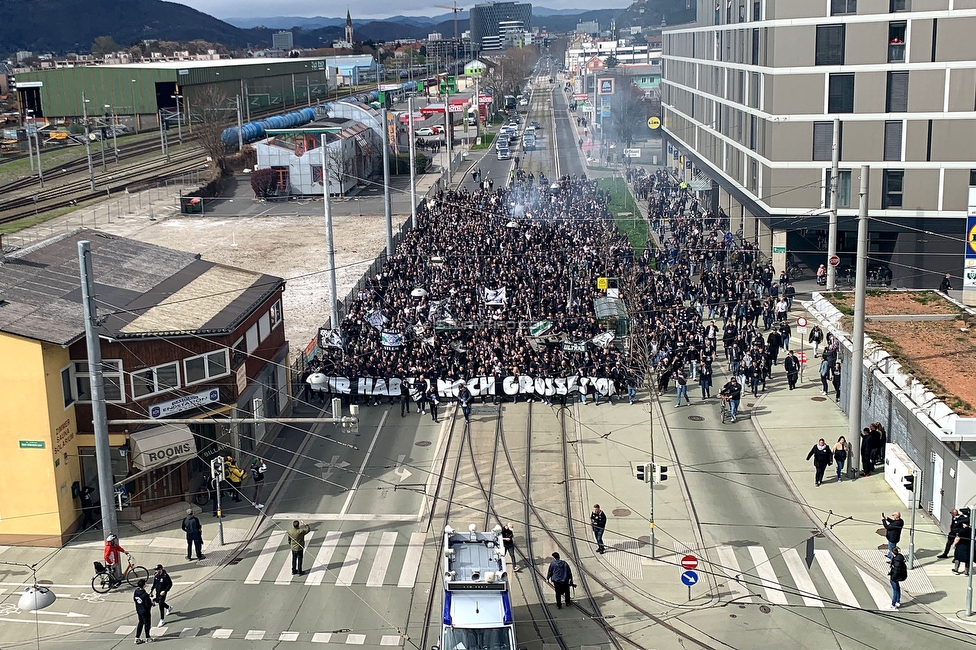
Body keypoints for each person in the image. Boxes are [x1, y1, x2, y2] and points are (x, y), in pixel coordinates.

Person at [133, 578, 153, 643]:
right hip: (145, 612)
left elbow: (134, 599)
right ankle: (148, 637)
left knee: (140, 623)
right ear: (144, 585)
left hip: (139, 610)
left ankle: (137, 637)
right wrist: (152, 603)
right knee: (147, 624)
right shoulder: (145, 595)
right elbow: (148, 605)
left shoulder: (136, 592)